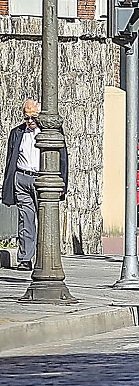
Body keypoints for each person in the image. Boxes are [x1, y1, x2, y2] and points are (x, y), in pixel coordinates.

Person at [2, 99, 68, 272]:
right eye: (27, 117)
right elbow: (10, 158)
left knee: (45, 219)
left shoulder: (51, 133)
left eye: (34, 117)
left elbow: (62, 159)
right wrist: (10, 182)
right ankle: (25, 258)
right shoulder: (17, 133)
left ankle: (45, 259)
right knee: (25, 220)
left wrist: (62, 184)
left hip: (42, 179)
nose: (30, 121)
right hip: (22, 178)